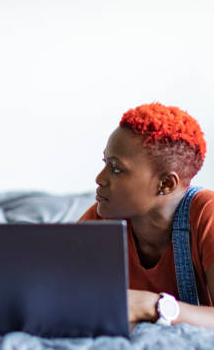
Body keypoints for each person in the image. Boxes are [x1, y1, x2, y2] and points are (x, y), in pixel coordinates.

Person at [79, 102, 214, 328]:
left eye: (116, 168)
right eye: (105, 163)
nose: (99, 179)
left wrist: (150, 305)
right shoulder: (104, 218)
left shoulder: (205, 214)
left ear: (166, 183)